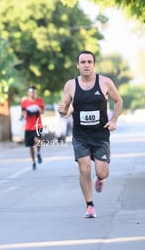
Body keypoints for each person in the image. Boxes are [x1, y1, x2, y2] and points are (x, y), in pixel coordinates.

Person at [58, 50, 123, 219]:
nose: (86, 65)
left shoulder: (105, 82)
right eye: (83, 62)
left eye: (89, 62)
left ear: (93, 65)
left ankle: (100, 180)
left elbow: (118, 100)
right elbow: (64, 109)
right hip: (80, 135)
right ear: (77, 65)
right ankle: (90, 206)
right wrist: (62, 109)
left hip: (100, 135)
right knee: (84, 167)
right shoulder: (70, 85)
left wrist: (114, 120)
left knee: (102, 172)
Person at [21, 85, 45, 170]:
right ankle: (33, 162)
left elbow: (42, 111)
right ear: (28, 92)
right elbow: (23, 112)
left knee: (37, 140)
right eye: (31, 92)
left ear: (36, 92)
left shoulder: (39, 101)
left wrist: (37, 109)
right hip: (28, 126)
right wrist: (24, 114)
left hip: (38, 125)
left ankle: (38, 152)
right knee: (30, 146)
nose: (32, 93)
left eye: (34, 92)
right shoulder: (24, 102)